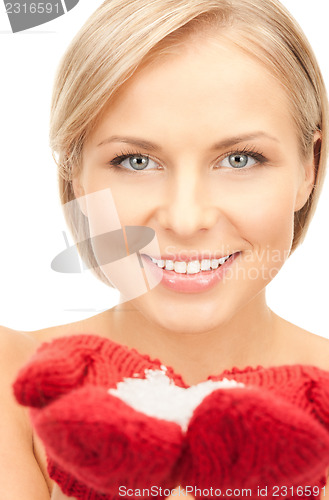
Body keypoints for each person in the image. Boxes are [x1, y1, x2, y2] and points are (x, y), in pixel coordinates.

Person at [0, 0, 329, 498]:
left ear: (309, 167)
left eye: (239, 159)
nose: (185, 218)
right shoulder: (13, 381)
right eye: (135, 160)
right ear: (74, 171)